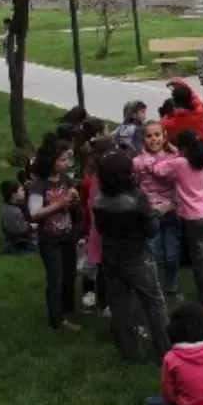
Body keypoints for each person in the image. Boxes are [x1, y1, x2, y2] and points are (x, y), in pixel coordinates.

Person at [94, 149, 172, 363]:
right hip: (137, 257)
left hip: (110, 258)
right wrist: (157, 212)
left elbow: (101, 228)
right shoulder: (137, 198)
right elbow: (151, 229)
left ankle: (129, 353)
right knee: (154, 302)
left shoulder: (99, 199)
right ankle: (164, 350)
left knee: (120, 306)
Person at [146, 130, 203, 309]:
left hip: (193, 218)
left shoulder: (179, 163)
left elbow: (157, 170)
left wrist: (166, 155)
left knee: (198, 261)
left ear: (182, 148)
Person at [27, 134, 81, 332]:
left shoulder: (65, 179)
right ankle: (56, 319)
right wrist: (59, 205)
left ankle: (67, 309)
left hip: (67, 235)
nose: (67, 163)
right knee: (56, 278)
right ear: (51, 161)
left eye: (68, 159)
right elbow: (34, 214)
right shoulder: (39, 185)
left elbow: (69, 203)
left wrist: (73, 203)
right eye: (63, 160)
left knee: (70, 274)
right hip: (50, 240)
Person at [135, 120, 182, 300]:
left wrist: (171, 147)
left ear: (164, 137)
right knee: (153, 253)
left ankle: (171, 286)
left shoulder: (171, 157)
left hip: (170, 211)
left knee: (171, 253)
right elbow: (136, 183)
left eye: (157, 135)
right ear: (143, 139)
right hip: (151, 214)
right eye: (149, 136)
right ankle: (153, 288)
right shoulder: (138, 162)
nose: (153, 139)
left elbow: (180, 163)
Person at [79, 136, 115, 317]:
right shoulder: (99, 182)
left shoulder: (92, 179)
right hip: (102, 230)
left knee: (100, 266)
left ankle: (102, 301)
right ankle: (105, 303)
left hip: (96, 229)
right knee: (102, 268)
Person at [161, 81, 203, 145]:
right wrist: (180, 82)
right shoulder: (200, 114)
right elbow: (195, 98)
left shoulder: (167, 123)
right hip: (200, 149)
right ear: (190, 99)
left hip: (180, 152)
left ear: (175, 102)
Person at [0, 179, 36, 255]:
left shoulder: (18, 205)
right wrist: (31, 227)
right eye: (21, 190)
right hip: (20, 243)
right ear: (14, 195)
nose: (24, 192)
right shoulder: (10, 211)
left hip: (26, 239)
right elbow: (17, 230)